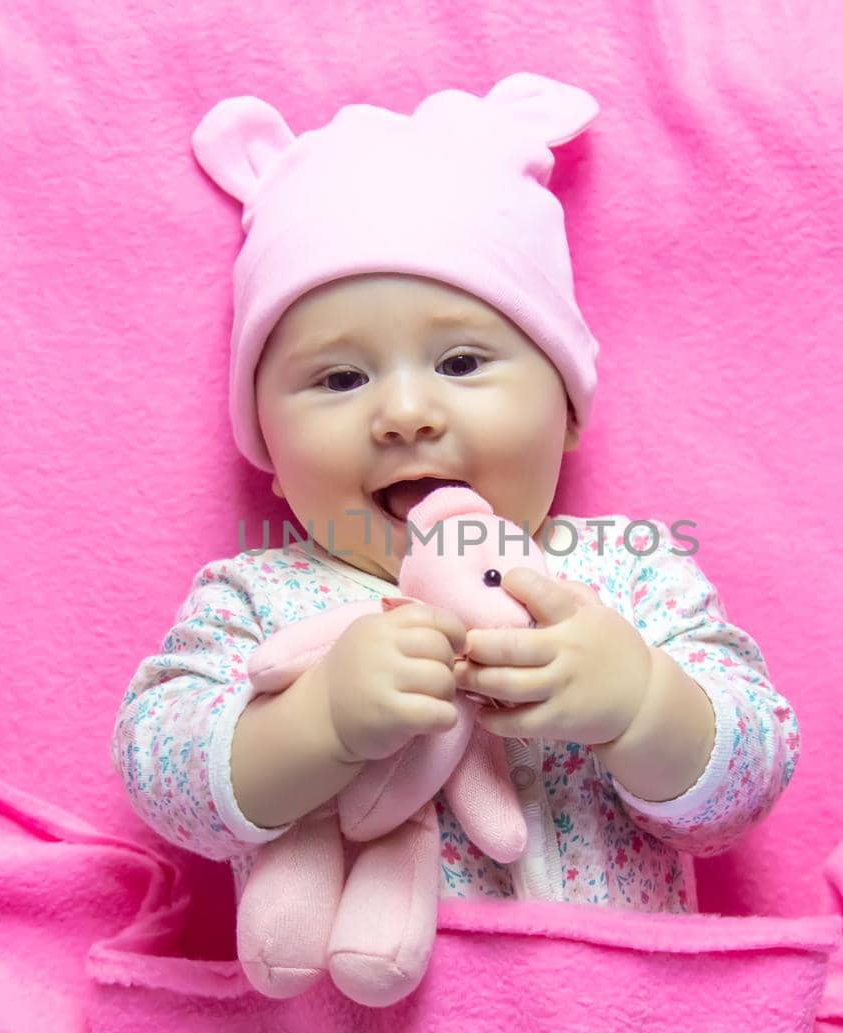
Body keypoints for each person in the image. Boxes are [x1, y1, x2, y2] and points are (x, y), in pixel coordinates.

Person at [112, 73, 799, 915]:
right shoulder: (258, 599)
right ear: (270, 452)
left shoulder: (630, 577)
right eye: (339, 376)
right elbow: (159, 771)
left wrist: (641, 701)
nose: (403, 414)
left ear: (567, 408)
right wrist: (313, 725)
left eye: (462, 363)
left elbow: (751, 779)